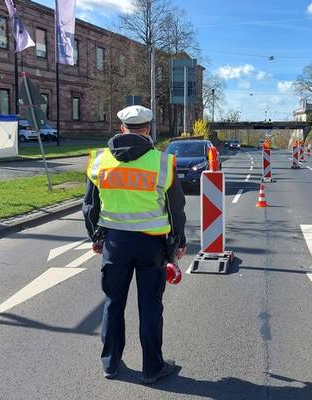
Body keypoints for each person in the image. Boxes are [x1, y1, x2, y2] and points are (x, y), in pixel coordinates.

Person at [82, 105, 187, 384]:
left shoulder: (99, 161)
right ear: (148, 129)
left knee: (113, 302)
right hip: (151, 246)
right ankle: (152, 368)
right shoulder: (162, 162)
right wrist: (178, 241)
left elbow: (90, 206)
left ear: (122, 128)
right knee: (150, 306)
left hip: (115, 243)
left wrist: (95, 237)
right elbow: (175, 209)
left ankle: (110, 363)